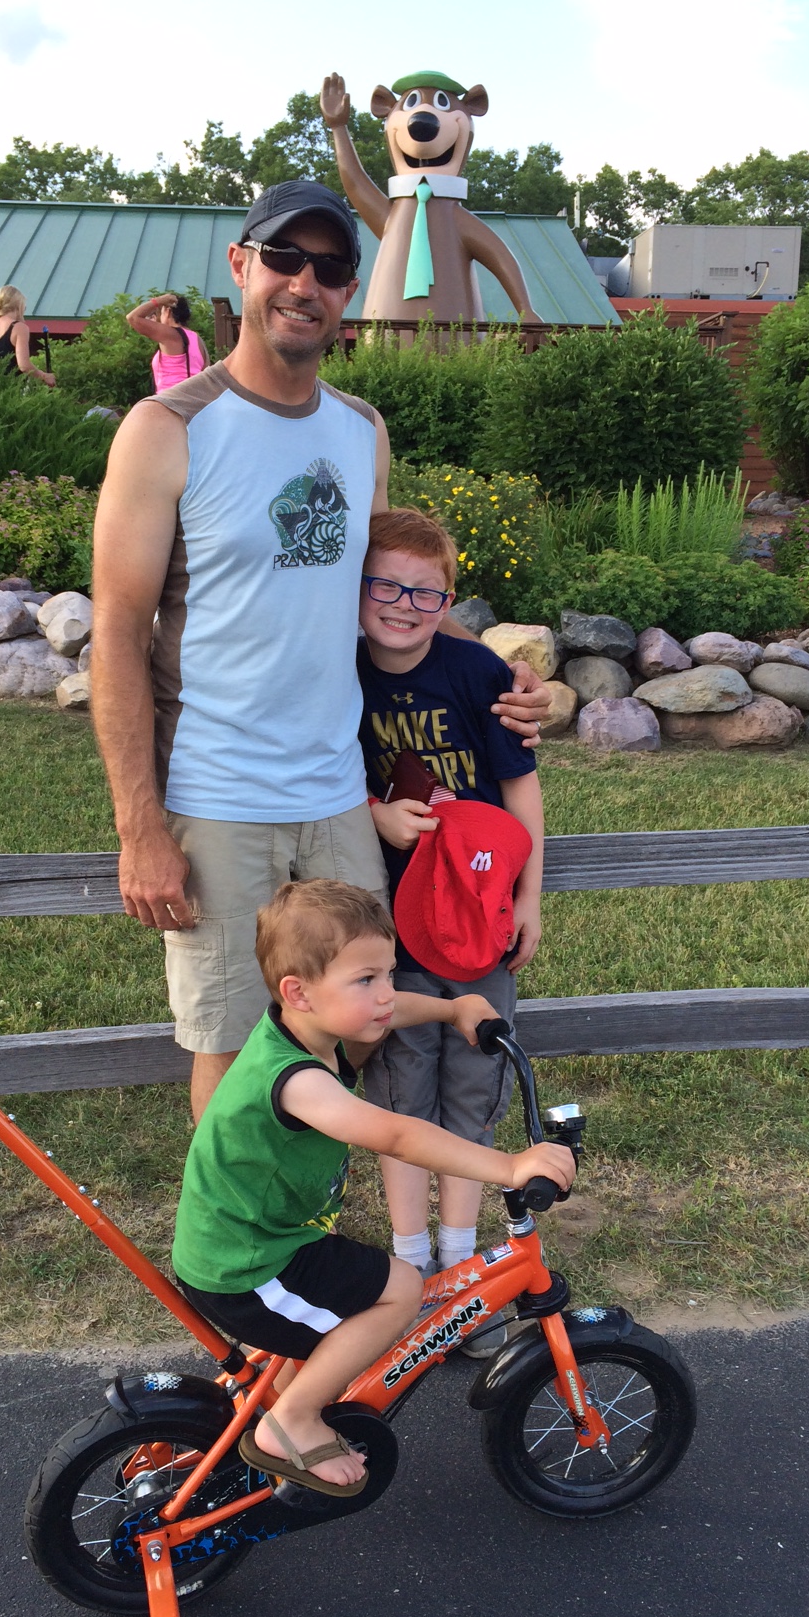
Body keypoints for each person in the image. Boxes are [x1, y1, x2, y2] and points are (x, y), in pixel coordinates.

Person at [90, 179, 549, 1126]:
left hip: (341, 795)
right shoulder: (168, 429)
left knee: (350, 1026)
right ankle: (230, 1225)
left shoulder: (359, 430)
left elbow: (383, 600)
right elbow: (119, 631)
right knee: (233, 1044)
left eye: (332, 267)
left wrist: (501, 677)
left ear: (348, 292)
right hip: (219, 796)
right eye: (285, 258)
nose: (305, 283)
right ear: (241, 266)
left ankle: (309, 1207)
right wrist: (139, 827)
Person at [171, 878, 574, 1493]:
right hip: (247, 1269)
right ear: (298, 992)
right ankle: (291, 1422)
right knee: (401, 1290)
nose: (386, 994)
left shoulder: (305, 1026)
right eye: (366, 979)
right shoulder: (297, 1080)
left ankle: (284, 1403)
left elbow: (390, 1012)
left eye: (387, 973)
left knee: (355, 1294)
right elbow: (397, 1136)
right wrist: (511, 1166)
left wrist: (452, 1009)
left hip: (263, 1241)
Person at [356, 507, 544, 1347]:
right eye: (385, 586)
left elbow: (521, 789)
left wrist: (529, 896)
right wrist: (375, 814)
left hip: (476, 919)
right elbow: (313, 770)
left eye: (425, 593)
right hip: (386, 927)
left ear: (448, 601)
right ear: (356, 588)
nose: (403, 605)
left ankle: (461, 1272)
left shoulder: (476, 674)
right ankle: (409, 1274)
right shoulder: (336, 673)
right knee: (401, 1094)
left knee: (472, 1088)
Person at [125, 292, 210, 392]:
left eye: (161, 313)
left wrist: (158, 301)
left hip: (171, 396)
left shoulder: (171, 334)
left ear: (167, 311)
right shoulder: (198, 339)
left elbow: (132, 318)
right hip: (194, 397)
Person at [0, 285, 56, 387]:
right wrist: (44, 376)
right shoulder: (19, 328)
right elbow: (24, 366)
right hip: (16, 386)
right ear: (18, 305)